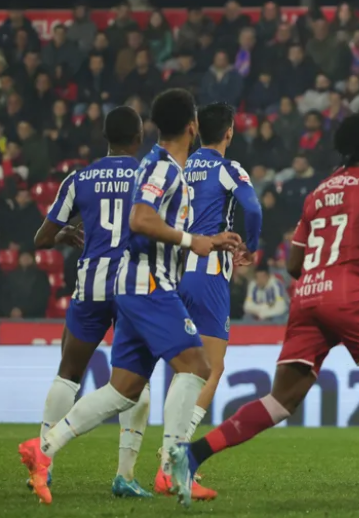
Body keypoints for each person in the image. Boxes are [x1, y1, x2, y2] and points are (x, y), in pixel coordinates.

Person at [171, 113, 359, 512]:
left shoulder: (318, 193)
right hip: (349, 294)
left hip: (307, 297)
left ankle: (192, 453)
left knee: (281, 400)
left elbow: (294, 264)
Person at [18, 89, 243, 508]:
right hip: (148, 284)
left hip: (134, 283)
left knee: (123, 389)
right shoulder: (163, 168)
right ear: (192, 127)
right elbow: (141, 219)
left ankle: (43, 448)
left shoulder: (158, 165)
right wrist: (193, 240)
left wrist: (208, 241)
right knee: (197, 365)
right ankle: (176, 469)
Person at [27, 106, 152, 498]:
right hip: (133, 286)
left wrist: (65, 236)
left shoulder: (79, 178)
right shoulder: (148, 176)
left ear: (105, 138)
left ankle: (43, 465)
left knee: (69, 373)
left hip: (92, 285)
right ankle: (125, 474)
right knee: (135, 378)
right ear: (138, 138)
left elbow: (41, 240)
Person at [172, 102, 263, 498]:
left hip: (172, 269)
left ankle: (148, 462)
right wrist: (253, 247)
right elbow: (253, 208)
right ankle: (177, 456)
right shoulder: (229, 167)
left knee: (180, 368)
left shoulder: (179, 165)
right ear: (228, 133)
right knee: (211, 368)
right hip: (208, 274)